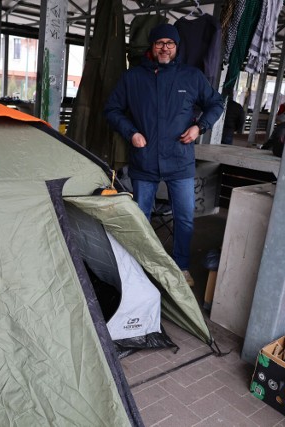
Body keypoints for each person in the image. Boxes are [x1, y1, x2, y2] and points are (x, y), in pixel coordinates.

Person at [104, 23, 224, 286]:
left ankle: (181, 266)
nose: (165, 47)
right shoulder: (133, 78)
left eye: (170, 43)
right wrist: (131, 132)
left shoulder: (191, 76)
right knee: (141, 216)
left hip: (180, 161)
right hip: (144, 161)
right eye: (160, 43)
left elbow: (216, 103)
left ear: (177, 47)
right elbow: (112, 109)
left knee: (184, 218)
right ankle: (141, 263)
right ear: (152, 46)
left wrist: (199, 127)